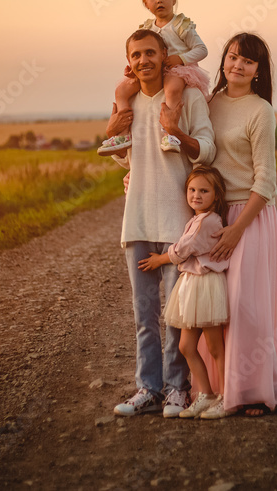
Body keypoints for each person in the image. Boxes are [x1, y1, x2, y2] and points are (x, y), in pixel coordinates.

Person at [109, 29, 216, 418]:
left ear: (164, 54)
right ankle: (148, 388)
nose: (143, 61)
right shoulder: (128, 100)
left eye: (150, 52)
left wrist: (176, 133)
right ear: (130, 60)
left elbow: (208, 147)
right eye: (135, 55)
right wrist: (116, 142)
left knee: (175, 314)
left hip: (177, 223)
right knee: (144, 314)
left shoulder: (187, 97)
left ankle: (176, 389)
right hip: (136, 220)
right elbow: (124, 158)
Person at [196, 32, 277, 419]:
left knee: (245, 305)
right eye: (232, 57)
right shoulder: (209, 104)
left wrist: (237, 229)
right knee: (215, 306)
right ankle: (217, 388)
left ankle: (252, 390)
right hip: (214, 217)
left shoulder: (260, 110)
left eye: (247, 61)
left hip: (249, 217)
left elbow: (265, 180)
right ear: (224, 61)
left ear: (257, 71)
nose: (237, 65)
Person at [140, 165, 231, 419]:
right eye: (192, 190)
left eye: (204, 190)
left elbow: (184, 248)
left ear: (216, 195)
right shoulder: (195, 218)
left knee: (215, 348)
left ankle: (225, 397)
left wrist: (160, 259)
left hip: (206, 286)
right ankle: (206, 394)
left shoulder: (210, 220)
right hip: (191, 285)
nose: (196, 195)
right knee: (186, 346)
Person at [98, 0, 211, 156]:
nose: (159, 0)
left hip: (178, 71)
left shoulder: (181, 25)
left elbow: (202, 50)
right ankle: (123, 134)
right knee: (121, 90)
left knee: (172, 89)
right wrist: (133, 69)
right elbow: (141, 54)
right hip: (155, 72)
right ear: (146, 3)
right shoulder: (147, 28)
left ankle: (169, 133)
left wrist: (181, 59)